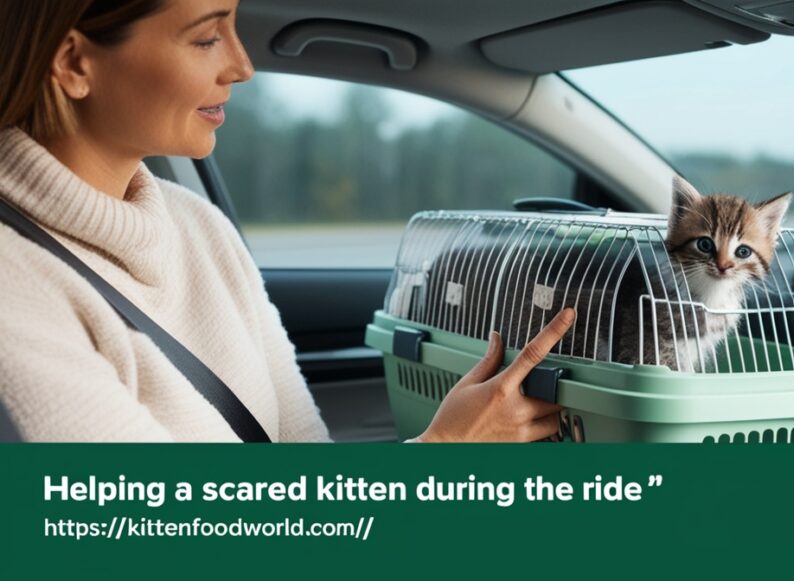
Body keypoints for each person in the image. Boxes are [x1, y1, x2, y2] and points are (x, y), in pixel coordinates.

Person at [0, 0, 575, 442]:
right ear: (75, 63)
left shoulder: (201, 228)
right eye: (206, 37)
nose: (242, 66)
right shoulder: (14, 287)